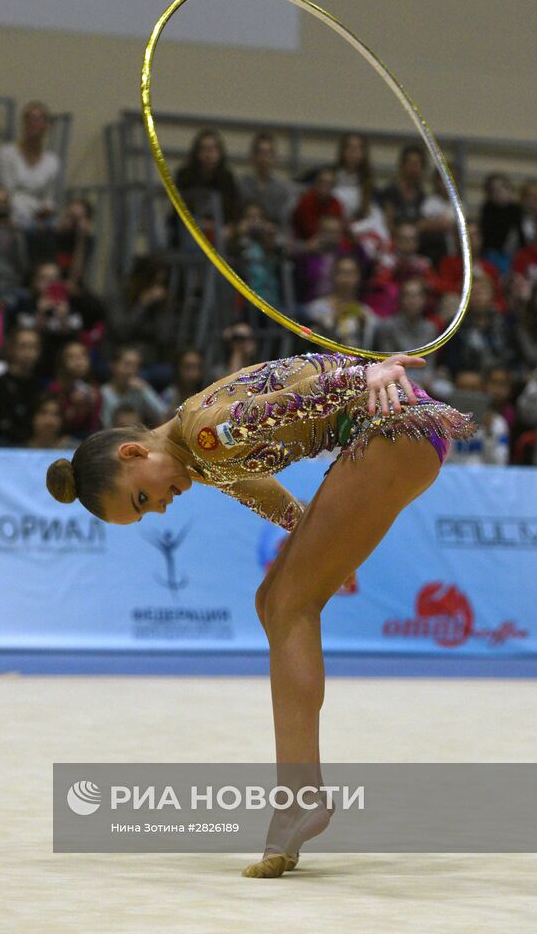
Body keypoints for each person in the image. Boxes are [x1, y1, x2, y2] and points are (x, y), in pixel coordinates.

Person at [45, 350, 477, 877]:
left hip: (392, 426)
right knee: (273, 601)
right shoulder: (198, 451)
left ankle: (300, 795)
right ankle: (298, 794)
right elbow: (263, 493)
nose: (158, 509)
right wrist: (317, 539)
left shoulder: (205, 433)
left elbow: (289, 404)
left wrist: (367, 376)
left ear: (134, 452)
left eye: (141, 498)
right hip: (392, 429)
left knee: (289, 603)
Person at [0, 100, 60, 230]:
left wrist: (45, 208)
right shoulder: (5, 154)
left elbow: (49, 197)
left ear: (46, 125)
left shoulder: (52, 161)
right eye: (29, 119)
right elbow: (8, 192)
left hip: (40, 220)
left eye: (38, 119)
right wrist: (37, 206)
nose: (33, 123)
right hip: (9, 217)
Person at [305, 255, 378, 350]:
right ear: (333, 276)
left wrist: (363, 327)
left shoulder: (366, 313)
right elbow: (312, 345)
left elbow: (369, 347)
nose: (346, 278)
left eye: (351, 273)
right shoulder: (317, 308)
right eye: (342, 272)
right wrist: (334, 320)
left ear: (359, 278)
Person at [0, 327, 43, 446]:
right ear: (11, 349)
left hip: (35, 444)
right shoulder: (0, 384)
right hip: (5, 444)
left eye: (32, 347)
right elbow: (1, 423)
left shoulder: (40, 385)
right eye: (23, 346)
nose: (28, 353)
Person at [238, 132, 294, 230]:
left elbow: (284, 226)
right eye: (260, 152)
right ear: (252, 156)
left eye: (268, 153)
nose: (264, 158)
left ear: (275, 157)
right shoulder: (240, 186)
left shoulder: (282, 190)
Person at [100, 346, 167, 428]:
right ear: (113, 365)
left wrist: (146, 390)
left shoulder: (139, 391)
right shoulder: (103, 393)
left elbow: (162, 415)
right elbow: (106, 426)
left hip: (137, 436)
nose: (131, 371)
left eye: (136, 366)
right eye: (127, 365)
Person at [379, 143, 427, 234]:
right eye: (411, 163)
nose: (414, 168)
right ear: (402, 165)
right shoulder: (390, 192)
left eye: (417, 164)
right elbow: (387, 224)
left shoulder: (422, 196)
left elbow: (422, 223)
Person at [331, 132, 372, 221]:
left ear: (363, 153)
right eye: (349, 147)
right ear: (342, 151)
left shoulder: (368, 182)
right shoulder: (330, 174)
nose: (353, 152)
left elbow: (368, 214)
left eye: (358, 148)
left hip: (355, 225)